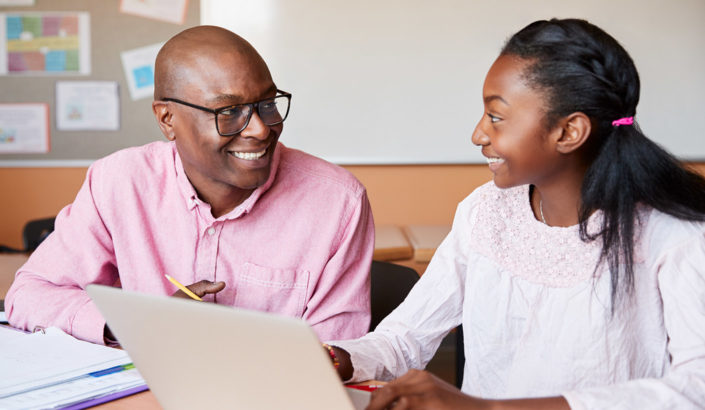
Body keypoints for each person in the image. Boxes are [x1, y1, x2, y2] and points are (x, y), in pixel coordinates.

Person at [327, 18, 705, 409]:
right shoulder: (485, 212)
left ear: (569, 132)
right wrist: (339, 359)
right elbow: (405, 337)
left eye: (496, 116)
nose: (478, 134)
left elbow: (695, 390)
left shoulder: (676, 235)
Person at [6, 25, 374, 345]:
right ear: (167, 119)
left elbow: (336, 359)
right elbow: (29, 294)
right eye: (228, 112)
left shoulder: (338, 203)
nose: (260, 129)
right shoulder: (118, 182)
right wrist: (138, 326)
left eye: (267, 103)